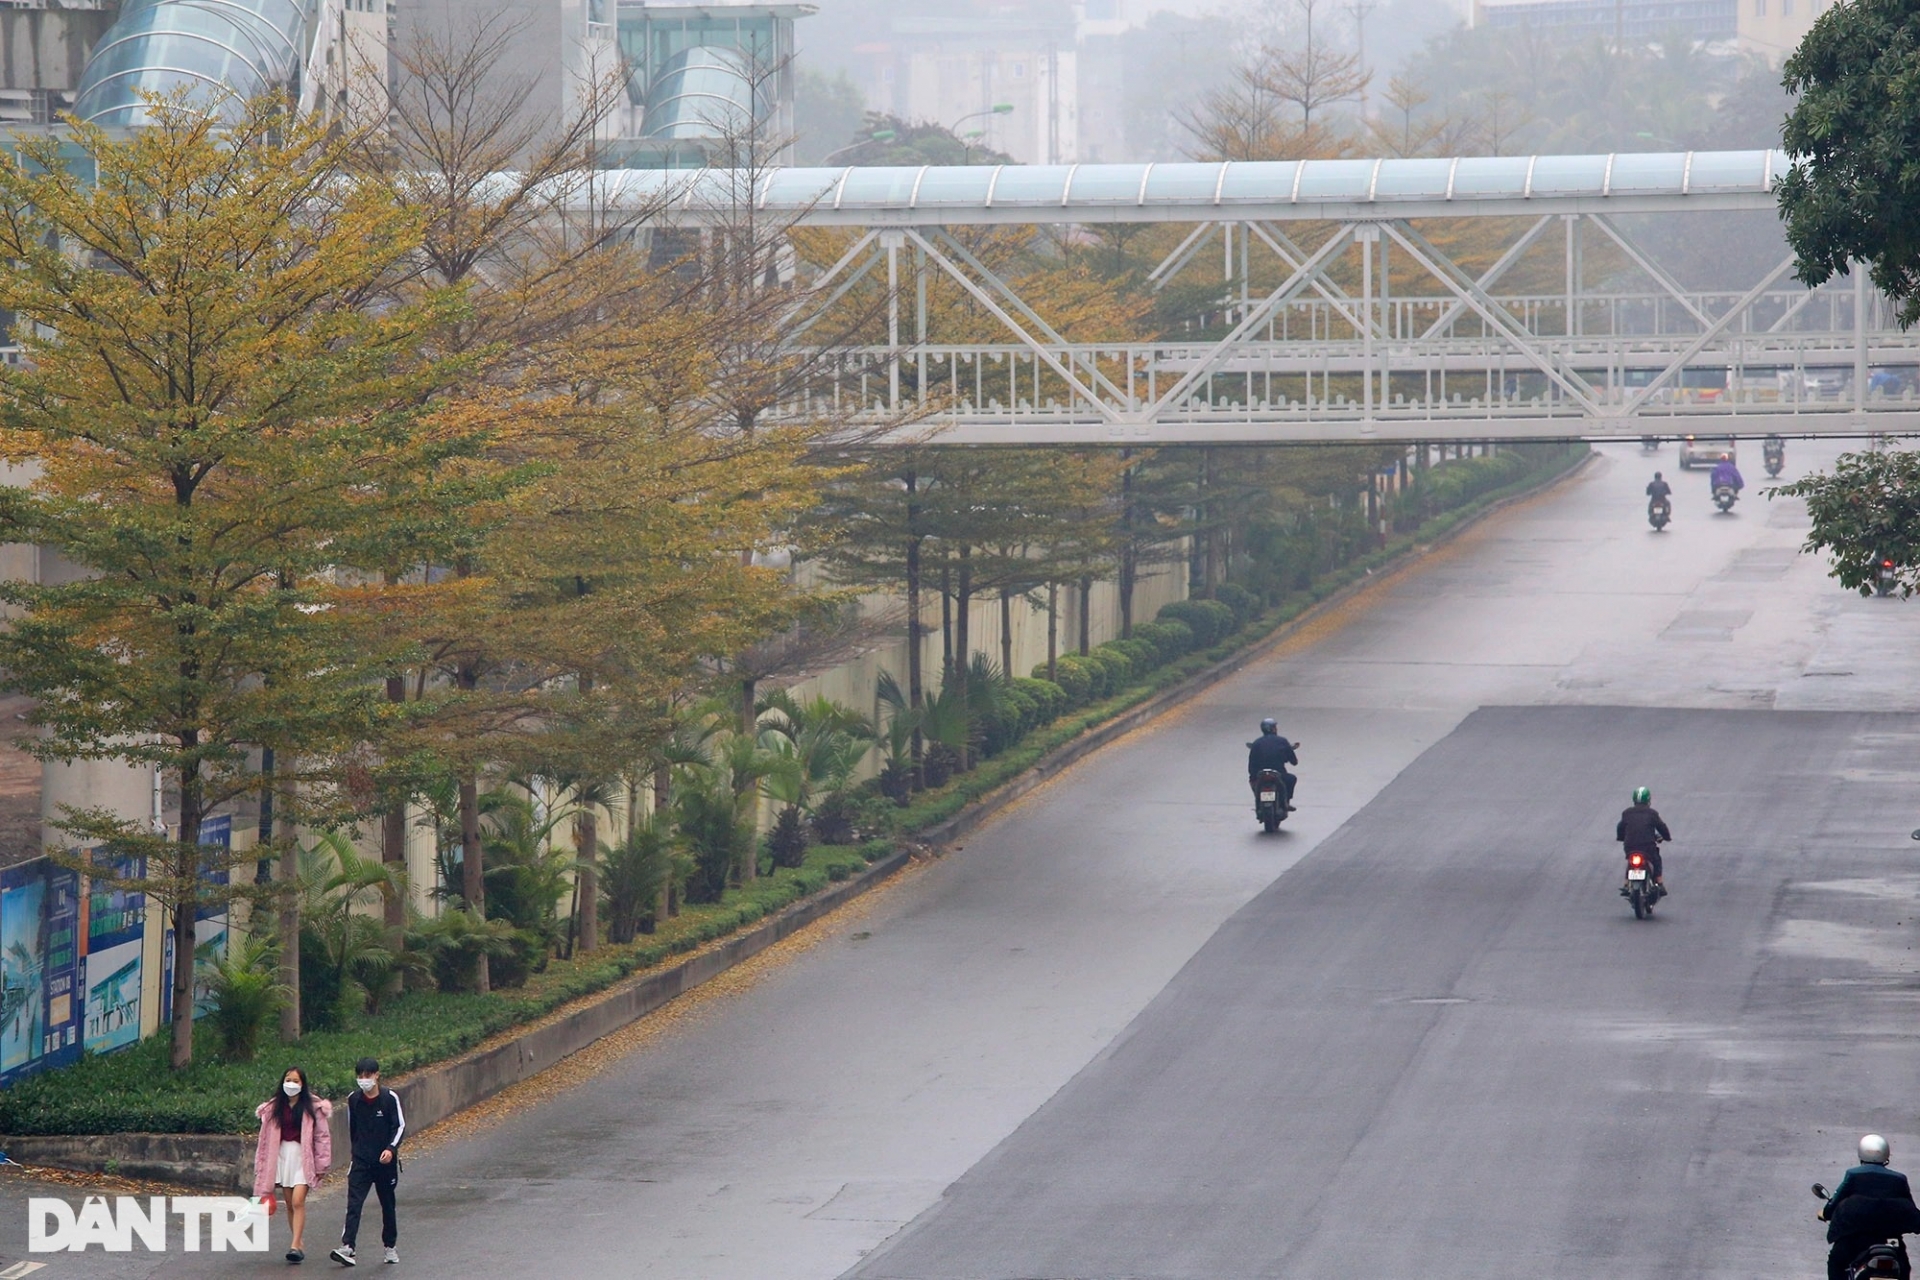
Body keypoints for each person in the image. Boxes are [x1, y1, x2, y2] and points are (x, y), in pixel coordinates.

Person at [253, 1067, 331, 1264]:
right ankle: (297, 1241)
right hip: (282, 1157)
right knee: (289, 1203)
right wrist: (261, 1165)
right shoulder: (273, 1108)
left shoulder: (313, 1108)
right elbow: (264, 1140)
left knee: (298, 1201)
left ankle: (295, 1245)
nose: (291, 1084)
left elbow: (322, 1137)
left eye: (296, 1081)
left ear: (302, 1084)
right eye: (288, 1079)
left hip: (303, 1158)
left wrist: (322, 1164)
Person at [331, 1058, 405, 1267]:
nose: (364, 1080)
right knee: (354, 1203)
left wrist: (390, 1149)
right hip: (361, 1161)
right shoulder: (354, 1099)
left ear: (377, 1075)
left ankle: (390, 1246)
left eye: (368, 1075)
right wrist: (357, 1152)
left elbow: (399, 1126)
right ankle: (348, 1247)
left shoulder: (389, 1098)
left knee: (387, 1205)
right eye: (360, 1076)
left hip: (384, 1163)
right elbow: (352, 1127)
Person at [1821, 1134, 1920, 1280]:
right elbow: (1910, 1209)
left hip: (1856, 1238)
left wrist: (1827, 1212)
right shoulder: (1899, 1179)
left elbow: (1835, 1203)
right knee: (1903, 1266)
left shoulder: (1853, 1175)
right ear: (1886, 1153)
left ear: (1861, 1153)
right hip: (1889, 1239)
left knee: (1836, 1263)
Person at [1616, 786, 1671, 887]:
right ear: (1648, 800)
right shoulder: (1652, 813)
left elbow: (1620, 827)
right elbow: (1661, 827)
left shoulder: (1627, 813)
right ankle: (1659, 881)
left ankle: (1626, 883)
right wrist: (1667, 837)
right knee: (1656, 859)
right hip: (1647, 846)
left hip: (1629, 846)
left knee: (1630, 862)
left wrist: (1620, 837)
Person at [1247, 717, 1298, 812]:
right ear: (1273, 729)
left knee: (1254, 783)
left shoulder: (1257, 743)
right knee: (1291, 779)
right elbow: (1293, 761)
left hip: (1260, 774)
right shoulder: (1282, 741)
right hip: (1278, 773)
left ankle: (1258, 803)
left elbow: (1251, 762)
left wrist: (1253, 776)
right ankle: (1286, 802)